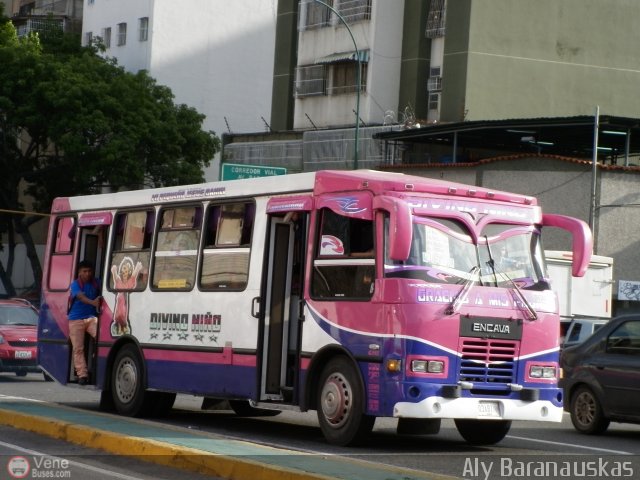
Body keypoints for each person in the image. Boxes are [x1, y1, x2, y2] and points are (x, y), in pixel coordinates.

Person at [68, 260, 101, 385]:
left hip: (91, 318)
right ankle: (82, 375)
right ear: (79, 272)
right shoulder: (75, 284)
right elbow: (80, 297)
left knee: (102, 340)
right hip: (76, 319)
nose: (87, 274)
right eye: (84, 271)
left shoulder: (97, 282)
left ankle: (96, 365)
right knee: (78, 349)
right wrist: (93, 302)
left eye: (89, 271)